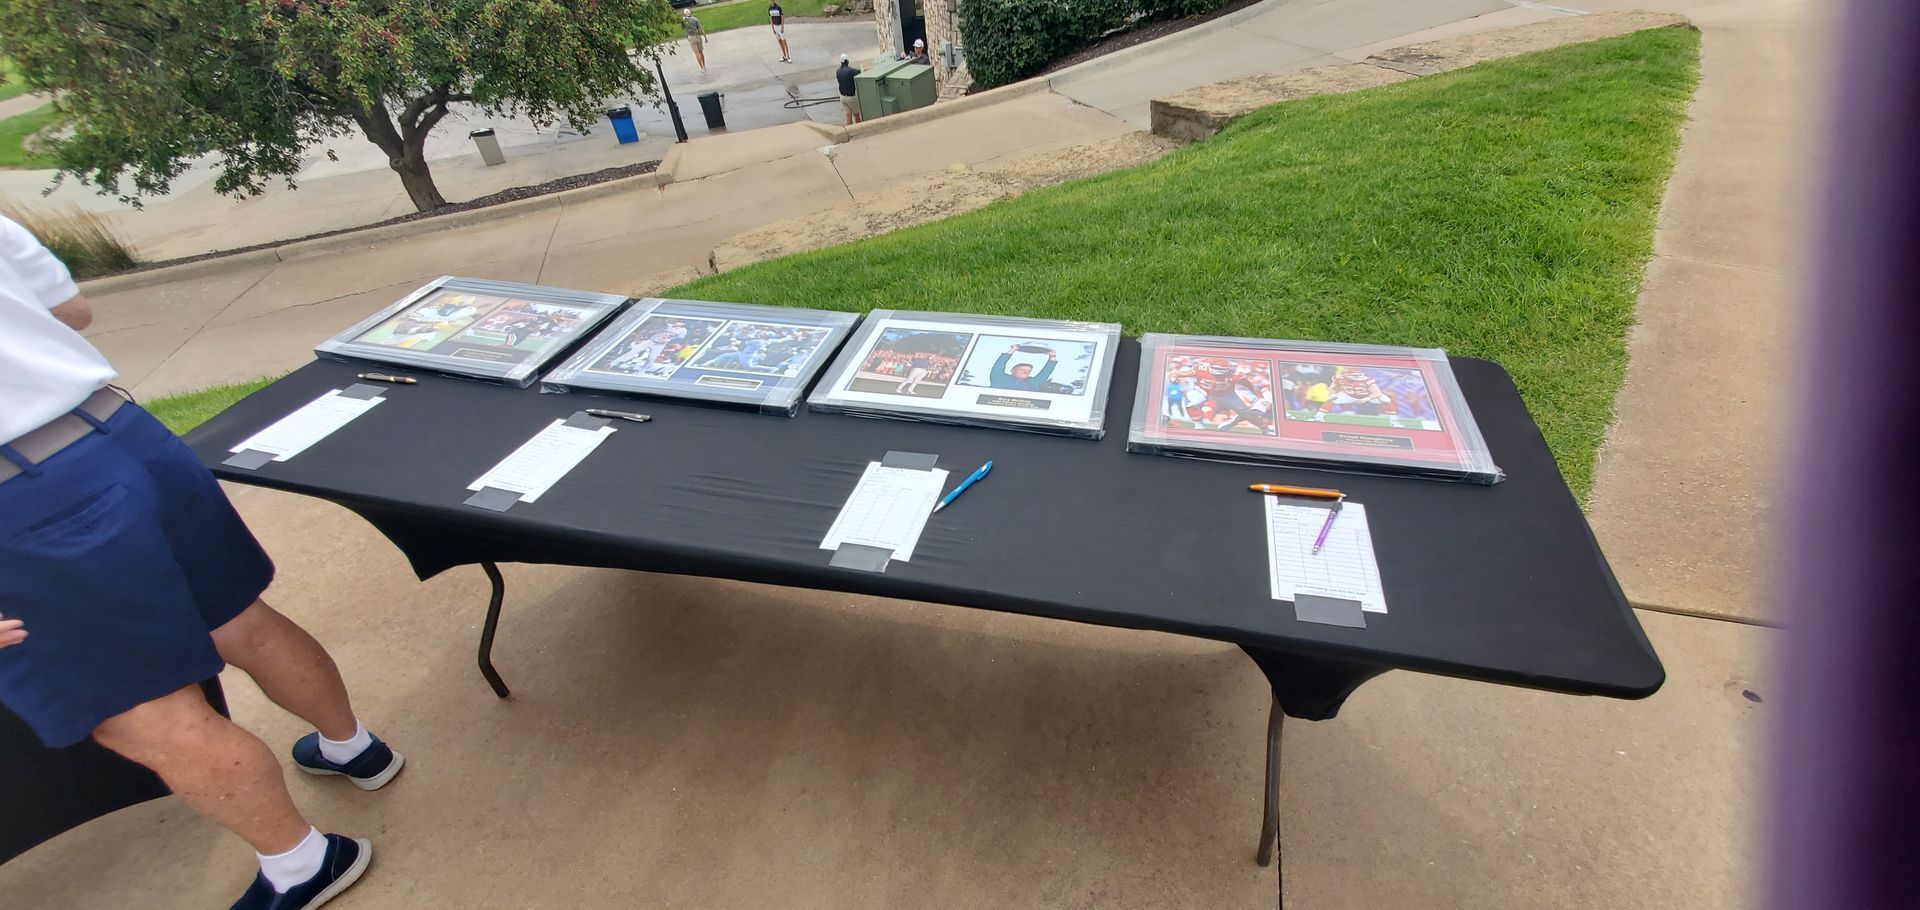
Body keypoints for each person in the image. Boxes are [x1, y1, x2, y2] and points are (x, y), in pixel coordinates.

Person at [0, 214, 403, 910]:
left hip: (28, 510)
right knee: (237, 618)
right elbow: (71, 309)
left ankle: (304, 864)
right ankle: (353, 748)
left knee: (143, 711)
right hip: (118, 434)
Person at [989, 344, 1057, 391]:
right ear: (1012, 370)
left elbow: (1046, 372)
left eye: (1028, 371)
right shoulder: (999, 378)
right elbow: (999, 364)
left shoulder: (1033, 382)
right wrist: (1013, 349)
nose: (1025, 372)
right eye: (1022, 369)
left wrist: (1052, 356)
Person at [836, 54, 862, 126]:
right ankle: (859, 130)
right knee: (856, 115)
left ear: (841, 62)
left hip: (842, 97)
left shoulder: (838, 71)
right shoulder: (852, 71)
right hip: (851, 97)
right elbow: (860, 72)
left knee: (848, 116)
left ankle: (850, 132)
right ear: (847, 61)